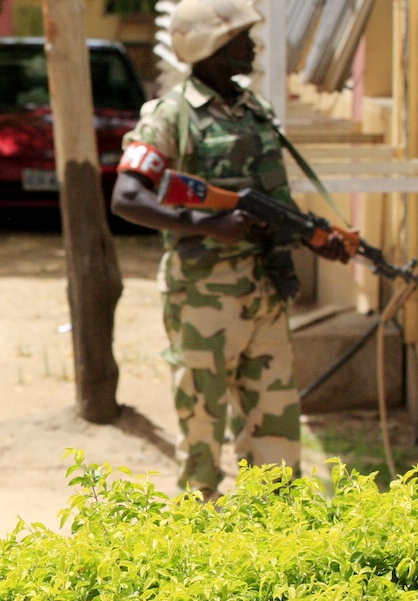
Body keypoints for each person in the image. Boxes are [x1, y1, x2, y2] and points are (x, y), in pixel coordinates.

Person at [109, 0, 350, 501]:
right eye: (240, 38)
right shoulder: (170, 114)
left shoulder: (254, 111)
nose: (251, 45)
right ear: (210, 46)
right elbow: (127, 198)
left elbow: (273, 202)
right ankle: (201, 543)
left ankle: (275, 543)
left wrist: (315, 237)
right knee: (202, 434)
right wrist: (207, 224)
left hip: (265, 291)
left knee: (278, 438)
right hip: (204, 300)